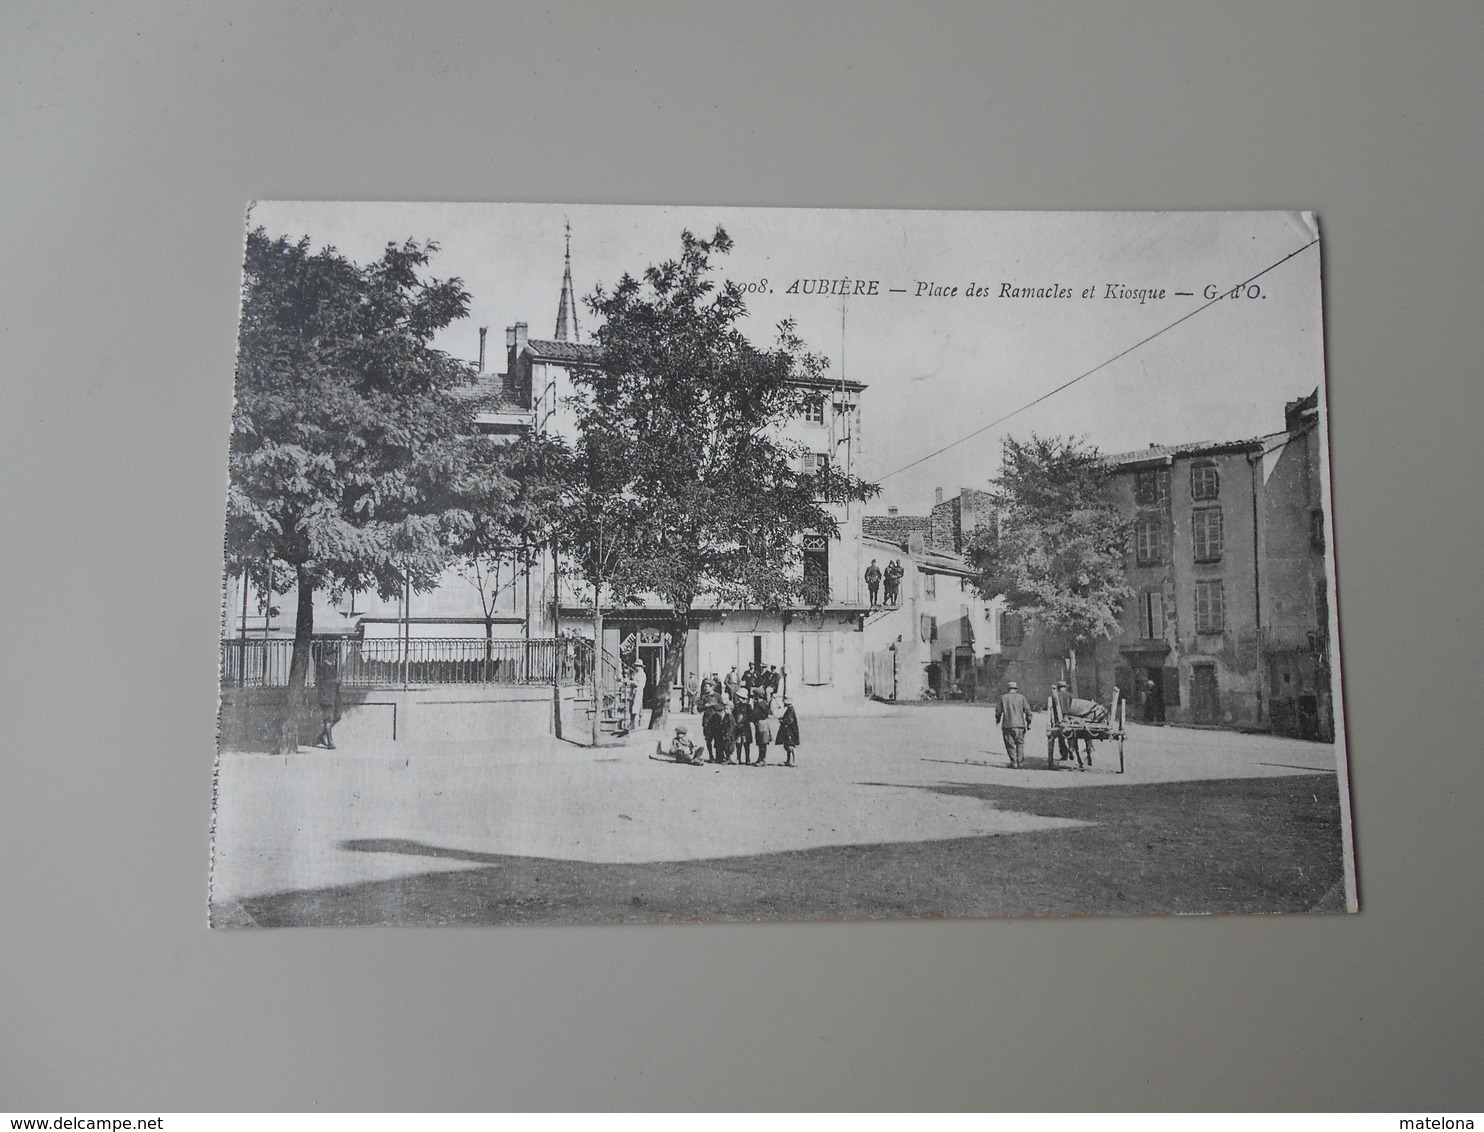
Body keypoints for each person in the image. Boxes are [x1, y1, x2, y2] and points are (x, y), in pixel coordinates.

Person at [995, 680, 1033, 769]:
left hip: (1008, 725)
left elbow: (998, 711)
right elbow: (1028, 711)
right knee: (1020, 744)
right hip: (1020, 725)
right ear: (1016, 689)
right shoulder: (1021, 698)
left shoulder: (1003, 698)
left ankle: (1014, 763)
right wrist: (1029, 722)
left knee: (1010, 744)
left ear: (1008, 689)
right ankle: (1020, 763)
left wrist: (997, 720)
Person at [313, 645, 341, 749]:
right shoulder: (322, 667)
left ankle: (320, 736)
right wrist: (334, 681)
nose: (334, 657)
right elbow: (319, 682)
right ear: (327, 656)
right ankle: (330, 742)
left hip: (334, 696)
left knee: (337, 717)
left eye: (335, 656)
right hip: (326, 697)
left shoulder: (333, 667)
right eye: (332, 655)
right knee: (328, 719)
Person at [751, 688, 775, 764]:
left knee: (762, 742)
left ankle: (762, 759)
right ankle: (761, 758)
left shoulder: (759, 704)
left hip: (761, 724)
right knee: (762, 742)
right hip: (763, 724)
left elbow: (755, 715)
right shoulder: (764, 704)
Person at [776, 695, 801, 767]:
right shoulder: (789, 709)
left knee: (790, 745)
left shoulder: (790, 709)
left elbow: (790, 720)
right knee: (787, 744)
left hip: (790, 730)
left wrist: (783, 721)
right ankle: (788, 760)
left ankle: (793, 760)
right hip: (789, 729)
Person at [732, 697, 753, 764]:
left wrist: (743, 720)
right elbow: (734, 715)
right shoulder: (737, 706)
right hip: (738, 726)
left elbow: (750, 716)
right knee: (738, 742)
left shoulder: (748, 706)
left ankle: (748, 758)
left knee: (746, 742)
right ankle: (738, 758)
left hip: (745, 726)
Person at [630, 662, 647, 731]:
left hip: (638, 691)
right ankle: (633, 724)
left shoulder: (642, 674)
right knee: (632, 707)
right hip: (633, 691)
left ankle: (636, 725)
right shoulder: (635, 674)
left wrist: (631, 682)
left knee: (636, 707)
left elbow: (639, 684)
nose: (636, 667)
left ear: (641, 667)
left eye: (638, 666)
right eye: (636, 666)